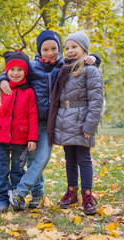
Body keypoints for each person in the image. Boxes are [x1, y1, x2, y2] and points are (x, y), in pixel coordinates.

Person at [0, 30, 101, 211]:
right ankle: (36, 194)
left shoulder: (64, 65)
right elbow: (15, 70)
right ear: (39, 50)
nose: (50, 52)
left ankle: (20, 192)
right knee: (31, 159)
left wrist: (95, 57)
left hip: (50, 122)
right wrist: (2, 79)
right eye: (45, 49)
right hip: (30, 121)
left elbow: (84, 63)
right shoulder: (32, 66)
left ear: (59, 49)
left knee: (41, 158)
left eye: (54, 48)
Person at [47, 30, 103, 215]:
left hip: (81, 120)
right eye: (67, 47)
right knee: (69, 159)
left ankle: (87, 195)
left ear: (84, 49)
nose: (70, 51)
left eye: (74, 47)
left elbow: (96, 101)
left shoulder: (90, 70)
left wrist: (90, 126)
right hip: (64, 119)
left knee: (83, 159)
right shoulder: (63, 68)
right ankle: (72, 192)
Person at [0, 50, 38, 213]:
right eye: (12, 69)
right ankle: (1, 199)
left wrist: (32, 137)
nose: (16, 73)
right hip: (0, 136)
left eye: (20, 70)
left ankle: (16, 197)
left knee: (18, 169)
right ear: (6, 71)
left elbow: (33, 115)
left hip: (21, 138)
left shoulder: (29, 92)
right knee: (2, 169)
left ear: (25, 72)